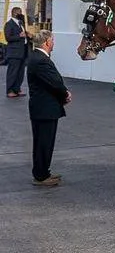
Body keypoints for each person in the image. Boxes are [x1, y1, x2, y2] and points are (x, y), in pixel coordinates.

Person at [27, 29, 70, 188]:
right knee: (44, 142)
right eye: (52, 40)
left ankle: (43, 171)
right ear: (46, 42)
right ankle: (41, 175)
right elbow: (54, 82)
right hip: (44, 108)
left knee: (43, 142)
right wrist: (65, 94)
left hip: (42, 107)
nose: (53, 43)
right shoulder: (41, 60)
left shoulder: (37, 57)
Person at [5, 6, 28, 97]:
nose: (21, 14)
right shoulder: (9, 24)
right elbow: (8, 38)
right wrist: (19, 36)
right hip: (14, 52)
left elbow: (23, 35)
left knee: (20, 72)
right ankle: (10, 90)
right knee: (12, 72)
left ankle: (17, 89)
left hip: (22, 51)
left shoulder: (21, 23)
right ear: (14, 13)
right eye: (19, 12)